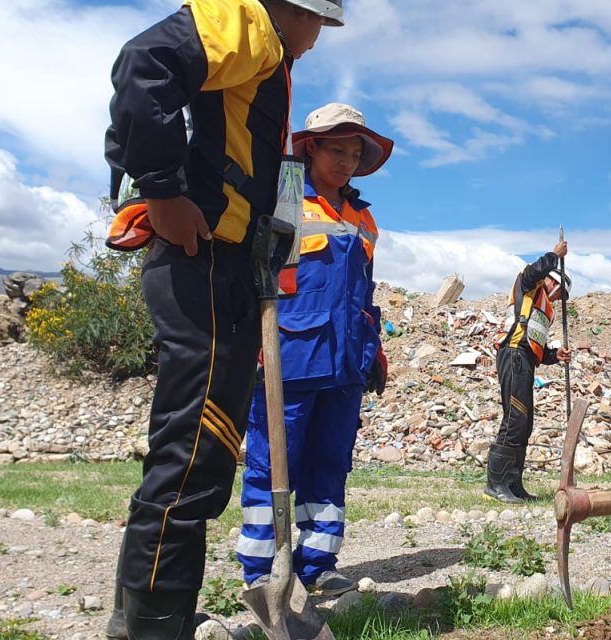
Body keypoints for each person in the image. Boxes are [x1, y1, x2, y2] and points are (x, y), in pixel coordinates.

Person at [102, 1, 343, 637]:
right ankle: (154, 625)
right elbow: (144, 64)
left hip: (228, 263)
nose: (318, 40)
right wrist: (162, 190)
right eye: (320, 22)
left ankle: (148, 614)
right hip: (199, 258)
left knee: (201, 451)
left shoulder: (270, 59)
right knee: (193, 452)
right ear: (295, 10)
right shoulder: (249, 25)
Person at [236, 102, 393, 597]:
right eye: (336, 150)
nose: (346, 161)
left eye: (354, 152)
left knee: (331, 461)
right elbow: (254, 272)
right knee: (272, 462)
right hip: (290, 355)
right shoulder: (283, 198)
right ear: (311, 149)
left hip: (347, 362)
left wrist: (376, 349)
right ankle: (262, 570)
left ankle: (318, 562)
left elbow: (364, 292)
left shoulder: (363, 218)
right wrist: (252, 344)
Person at [486, 243, 573, 503]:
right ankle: (496, 485)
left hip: (525, 359)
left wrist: (554, 355)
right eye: (559, 294)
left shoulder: (544, 310)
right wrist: (555, 256)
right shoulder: (528, 285)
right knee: (514, 418)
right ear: (552, 282)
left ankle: (514, 485)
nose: (558, 300)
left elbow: (537, 346)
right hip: (512, 354)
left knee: (524, 423)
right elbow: (535, 269)